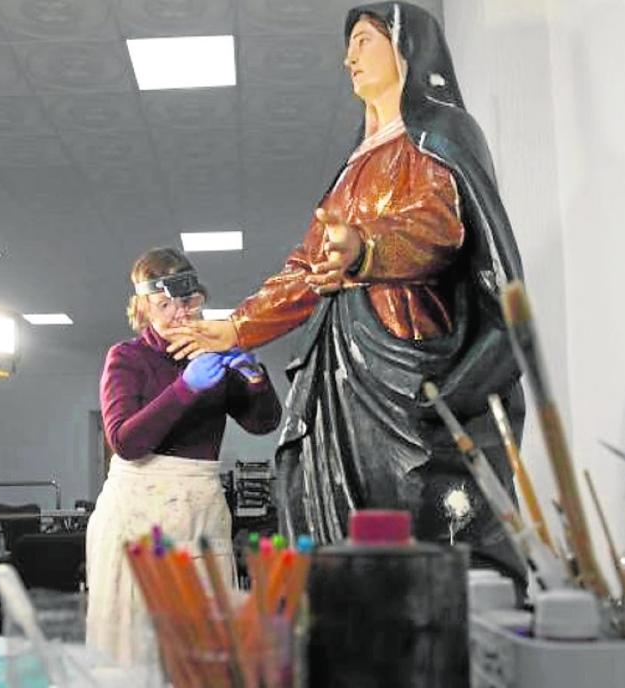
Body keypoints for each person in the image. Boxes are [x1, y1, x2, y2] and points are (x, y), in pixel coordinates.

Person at [165, 2, 529, 583]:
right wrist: (237, 326)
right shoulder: (351, 165)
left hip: (410, 361)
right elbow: (306, 267)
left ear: (406, 46)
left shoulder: (440, 134)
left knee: (424, 506)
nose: (349, 57)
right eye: (350, 46)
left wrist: (366, 247)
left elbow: (440, 225)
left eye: (363, 40)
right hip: (343, 370)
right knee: (337, 514)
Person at [85, 247, 282, 664]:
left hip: (200, 509)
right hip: (136, 512)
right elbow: (124, 440)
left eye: (188, 300)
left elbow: (263, 423)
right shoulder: (127, 358)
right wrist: (184, 390)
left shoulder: (213, 351)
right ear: (143, 307)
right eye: (164, 303)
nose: (179, 312)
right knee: (134, 644)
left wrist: (255, 379)